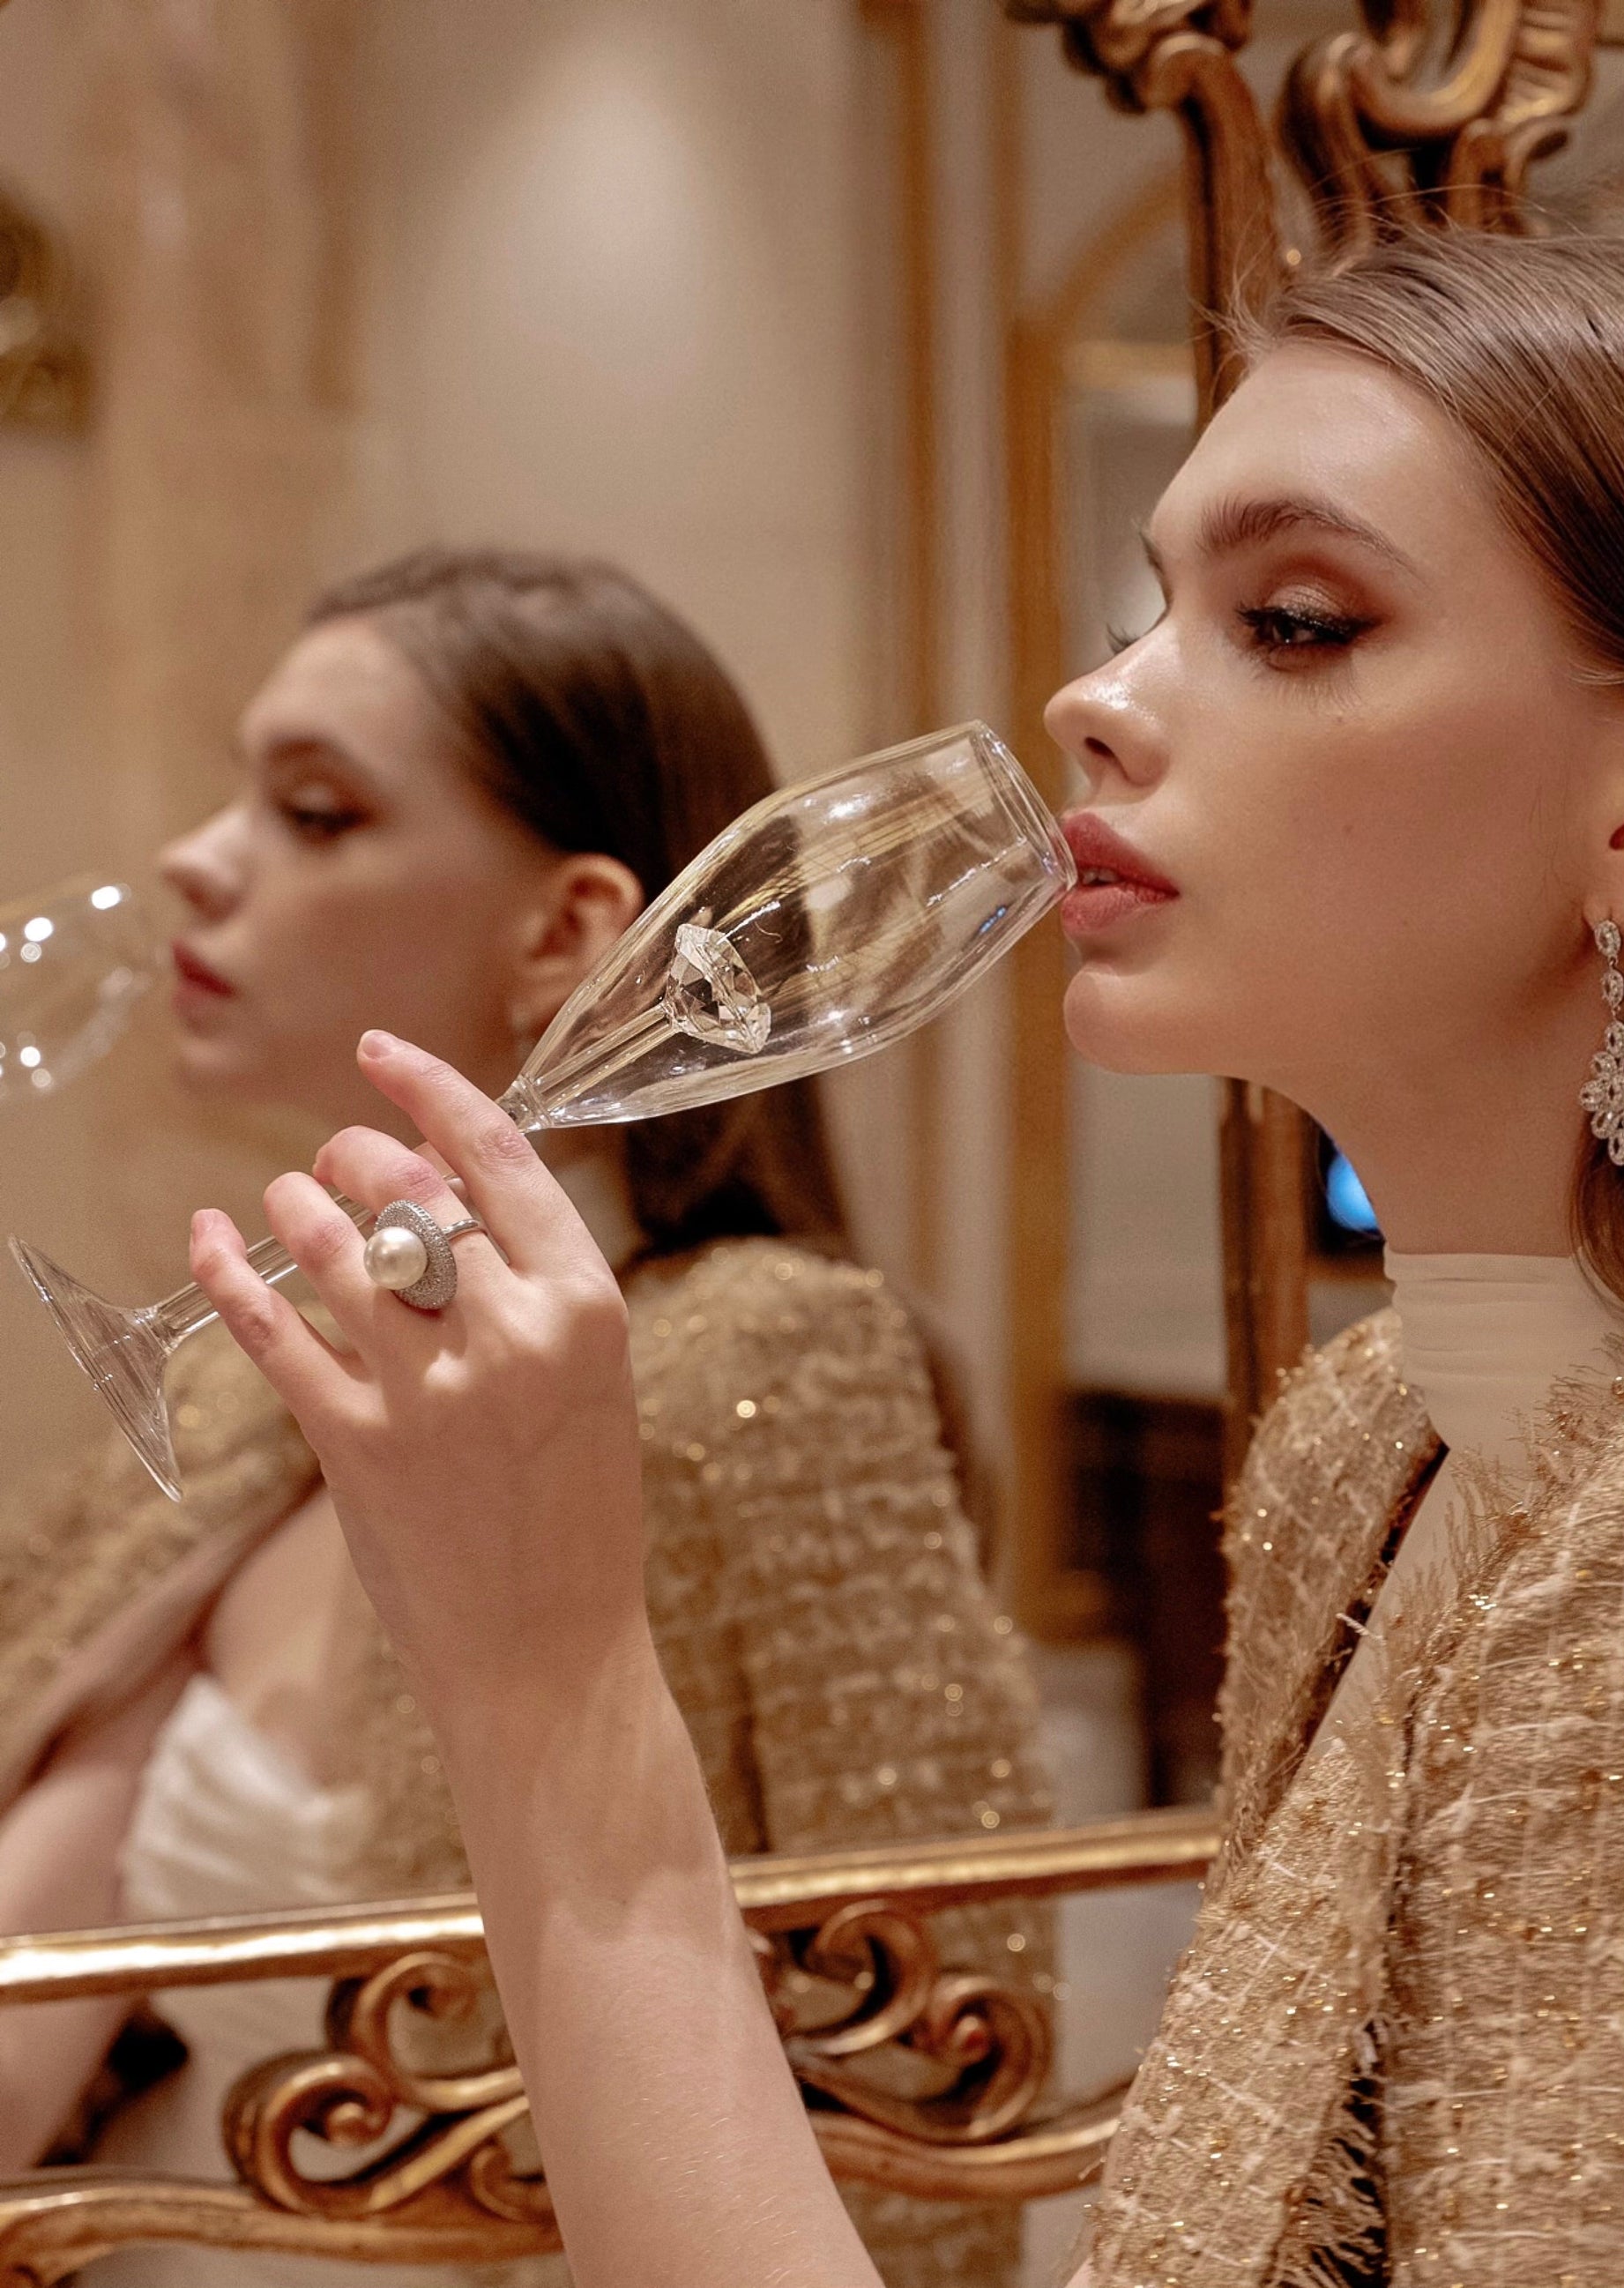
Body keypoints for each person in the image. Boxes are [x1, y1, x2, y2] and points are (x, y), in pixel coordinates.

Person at [181, 229, 1624, 2287]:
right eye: (1153, 605)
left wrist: (546, 1680)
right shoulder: (1366, 1443)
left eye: (1292, 617)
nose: (1095, 695)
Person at [0, 553, 1053, 2288]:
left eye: (317, 810)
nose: (195, 856)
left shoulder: (758, 1359)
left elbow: (945, 2086)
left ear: (567, 932)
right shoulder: (249, 1396)